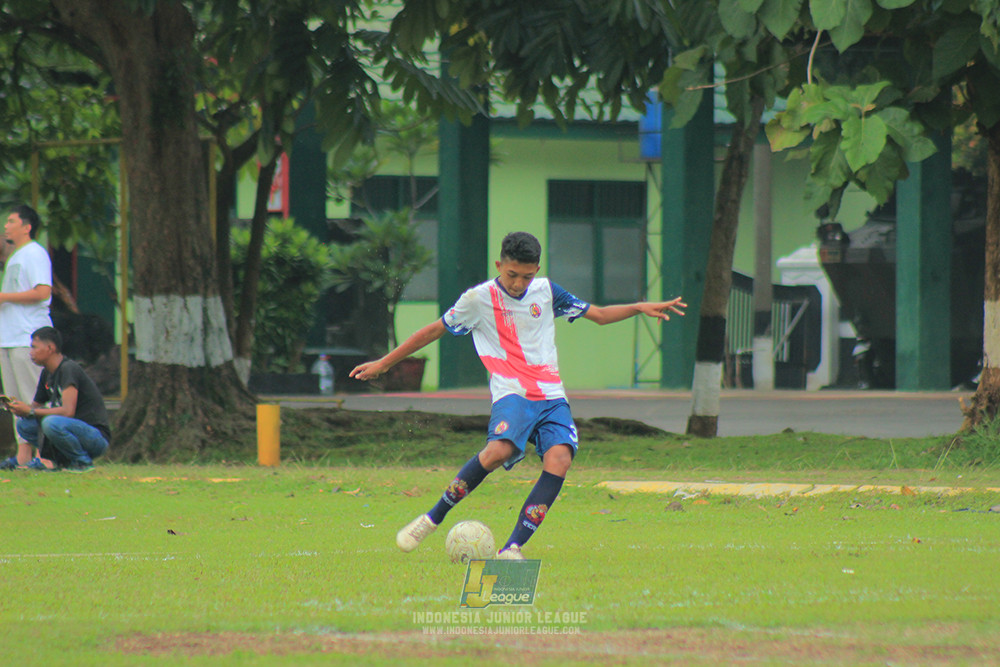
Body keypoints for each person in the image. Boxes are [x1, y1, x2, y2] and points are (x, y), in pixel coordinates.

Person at [350, 231, 686, 559]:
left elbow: (597, 315)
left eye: (526, 276)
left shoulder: (546, 291)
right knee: (498, 451)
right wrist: (384, 363)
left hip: (552, 396)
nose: (517, 284)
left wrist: (640, 306)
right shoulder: (477, 299)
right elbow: (433, 331)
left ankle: (512, 548)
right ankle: (432, 518)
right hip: (512, 392)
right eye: (511, 275)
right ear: (499, 265)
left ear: (536, 271)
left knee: (560, 459)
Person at [6, 327, 110, 473]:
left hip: (94, 437)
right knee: (24, 425)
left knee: (50, 422)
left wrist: (30, 411)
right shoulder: (46, 373)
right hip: (68, 429)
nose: (31, 352)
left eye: (34, 347)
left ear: (50, 348)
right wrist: (18, 408)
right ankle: (62, 461)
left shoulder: (68, 369)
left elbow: (68, 412)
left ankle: (82, 462)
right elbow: (35, 407)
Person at [0, 205, 54, 471]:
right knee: (14, 400)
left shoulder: (35, 254)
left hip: (27, 337)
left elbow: (43, 291)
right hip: (8, 337)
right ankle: (23, 457)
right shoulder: (17, 256)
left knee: (34, 398)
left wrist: (4, 297)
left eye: (11, 221)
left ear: (27, 226)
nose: (6, 226)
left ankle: (46, 455)